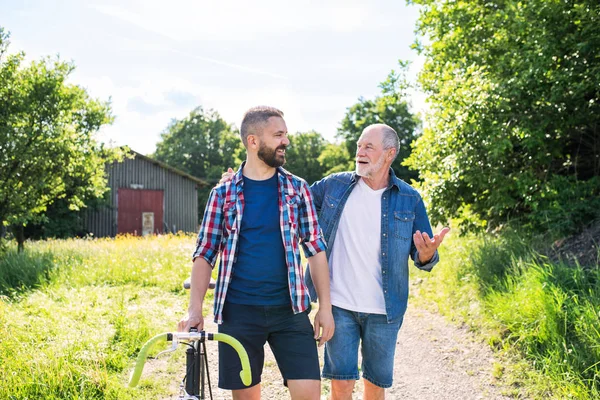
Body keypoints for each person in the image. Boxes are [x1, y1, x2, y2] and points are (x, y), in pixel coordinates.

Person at [178, 105, 334, 400]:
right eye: (278, 135)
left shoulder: (297, 189)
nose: (285, 141)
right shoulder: (222, 194)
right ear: (253, 141)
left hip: (291, 311)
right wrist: (194, 309)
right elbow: (205, 252)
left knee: (309, 394)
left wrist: (324, 306)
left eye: (285, 134)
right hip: (239, 313)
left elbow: (315, 249)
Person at [305, 123, 449, 400]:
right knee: (341, 384)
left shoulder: (410, 199)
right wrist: (249, 178)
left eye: (368, 146)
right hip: (339, 304)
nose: (359, 151)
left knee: (375, 385)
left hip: (385, 309)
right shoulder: (333, 186)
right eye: (359, 145)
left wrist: (428, 253)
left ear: (389, 153)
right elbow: (292, 200)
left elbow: (424, 256)